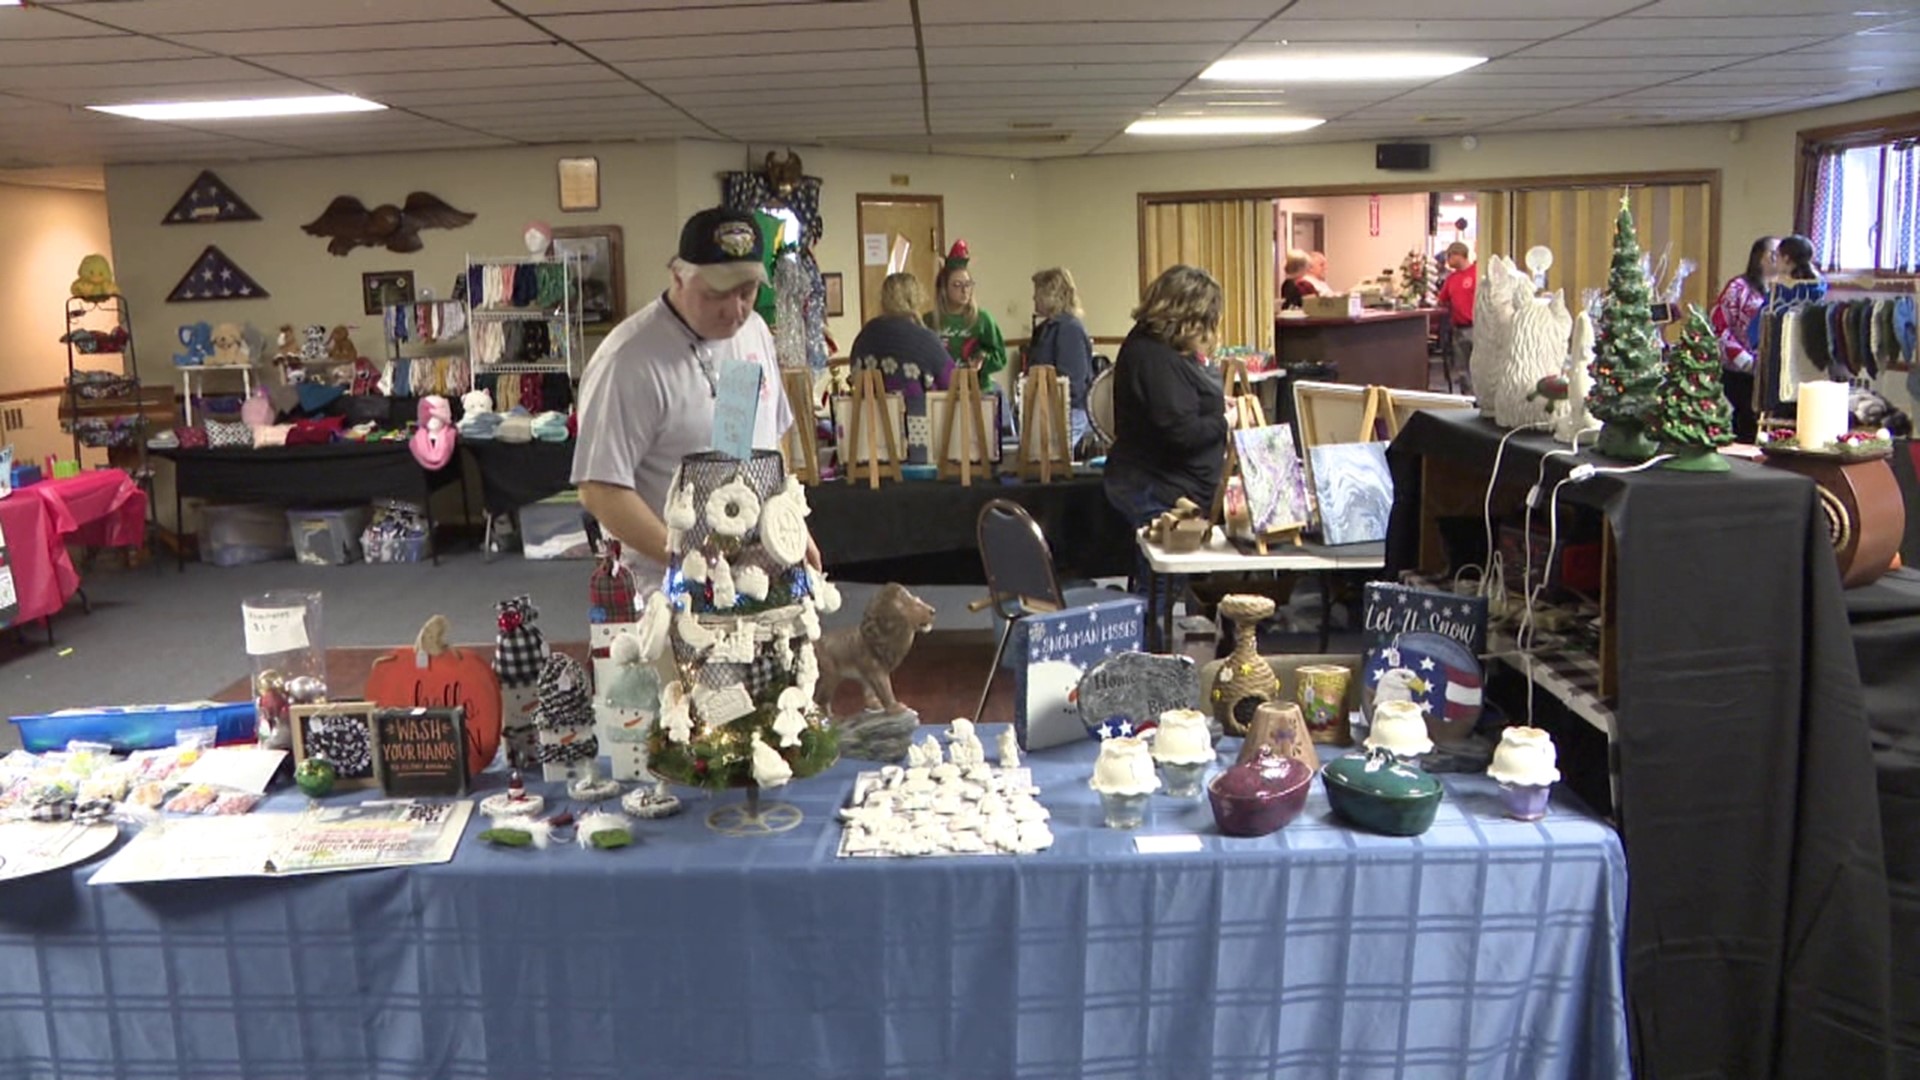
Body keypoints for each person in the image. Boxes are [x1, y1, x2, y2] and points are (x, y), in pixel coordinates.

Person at [572, 206, 808, 590]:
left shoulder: (753, 331)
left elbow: (754, 439)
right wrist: (689, 563)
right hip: (666, 582)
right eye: (717, 294)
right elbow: (600, 489)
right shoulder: (628, 360)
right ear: (678, 276)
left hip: (756, 570)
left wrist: (789, 524)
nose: (735, 310)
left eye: (747, 292)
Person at [1105, 265, 1228, 631]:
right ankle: (1146, 668)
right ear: (1188, 315)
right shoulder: (1153, 357)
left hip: (1160, 484)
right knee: (1155, 596)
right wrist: (1225, 422)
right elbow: (1180, 431)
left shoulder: (1156, 349)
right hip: (1156, 488)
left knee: (1158, 593)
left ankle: (1149, 658)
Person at [849, 272, 953, 463]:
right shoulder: (925, 339)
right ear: (916, 298)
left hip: (870, 443)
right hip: (917, 444)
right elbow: (953, 384)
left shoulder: (866, 335)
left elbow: (854, 377)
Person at [1711, 236, 1779, 442]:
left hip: (1767, 373)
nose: (1778, 258)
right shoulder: (1738, 287)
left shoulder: (1781, 290)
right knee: (1746, 427)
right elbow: (1719, 326)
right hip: (1740, 371)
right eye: (1774, 253)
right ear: (1761, 258)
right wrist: (1743, 359)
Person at [1026, 267, 1094, 453]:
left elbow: (1072, 381)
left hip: (1068, 413)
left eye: (1037, 292)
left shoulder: (1069, 329)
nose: (1033, 298)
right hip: (1046, 410)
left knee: (1050, 457)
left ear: (1051, 294)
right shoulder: (1045, 329)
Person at [929, 240, 1007, 393]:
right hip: (942, 392)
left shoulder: (983, 319)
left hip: (977, 391)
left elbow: (1000, 356)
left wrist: (983, 360)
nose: (964, 290)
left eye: (968, 284)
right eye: (957, 285)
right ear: (944, 288)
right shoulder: (929, 321)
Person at [1433, 241, 1477, 390]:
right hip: (1458, 329)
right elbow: (1442, 300)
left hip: (1476, 328)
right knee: (1462, 369)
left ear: (1459, 255)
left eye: (1450, 256)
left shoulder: (1476, 273)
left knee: (1477, 367)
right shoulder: (1451, 279)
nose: (1448, 261)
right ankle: (1467, 399)